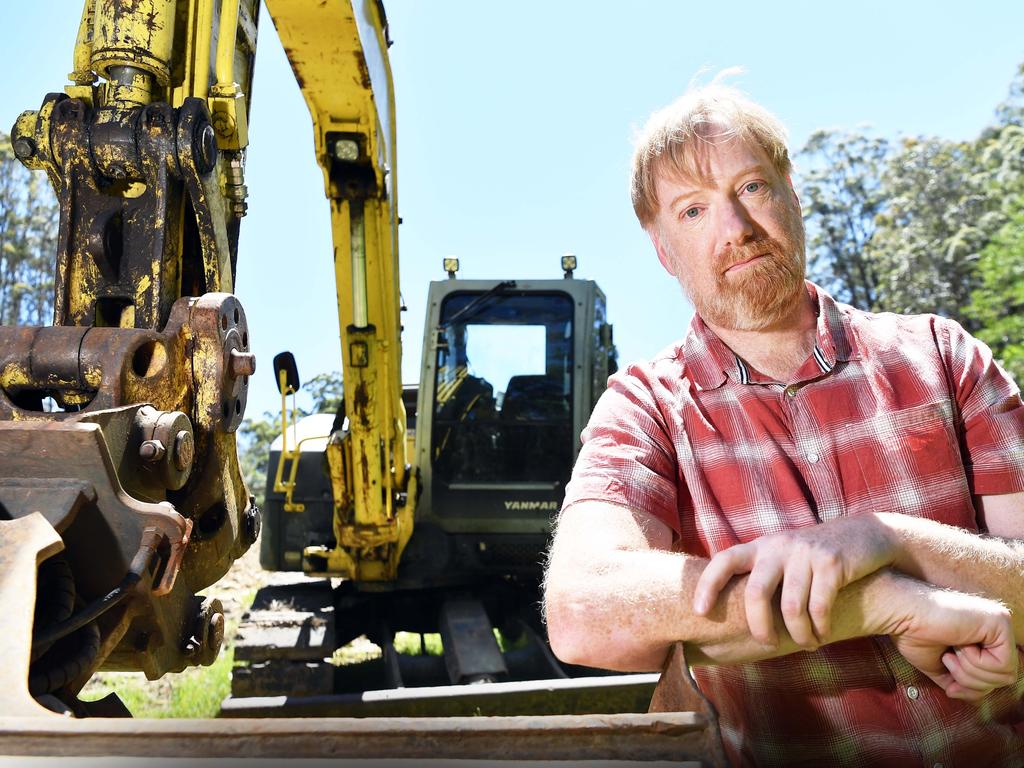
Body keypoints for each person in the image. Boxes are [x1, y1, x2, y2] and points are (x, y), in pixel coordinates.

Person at [543, 78, 1024, 767]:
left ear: (792, 192)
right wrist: (885, 601)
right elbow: (585, 611)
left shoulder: (943, 357)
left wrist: (882, 539)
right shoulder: (646, 407)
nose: (734, 230)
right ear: (662, 249)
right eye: (693, 210)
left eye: (752, 188)